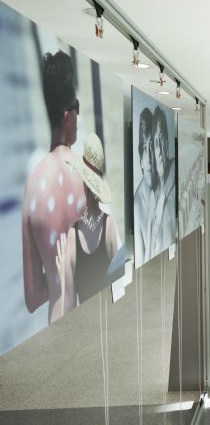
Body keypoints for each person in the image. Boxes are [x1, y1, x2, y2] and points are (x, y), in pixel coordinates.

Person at [22, 50, 86, 322]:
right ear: (67, 116)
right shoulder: (87, 176)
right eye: (78, 110)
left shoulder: (33, 185)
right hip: (90, 315)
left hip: (57, 329)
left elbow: (33, 296)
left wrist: (56, 277)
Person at [55, 133, 117, 312]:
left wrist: (62, 278)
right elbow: (118, 279)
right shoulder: (109, 225)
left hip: (87, 323)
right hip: (108, 317)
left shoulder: (73, 235)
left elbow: (68, 302)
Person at [149, 106, 176, 256]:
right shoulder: (151, 190)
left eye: (162, 139)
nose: (159, 147)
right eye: (155, 141)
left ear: (167, 141)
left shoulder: (172, 171)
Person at [133, 107, 156, 264]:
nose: (149, 157)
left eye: (152, 147)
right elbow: (140, 256)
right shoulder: (139, 201)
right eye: (145, 148)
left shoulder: (161, 187)